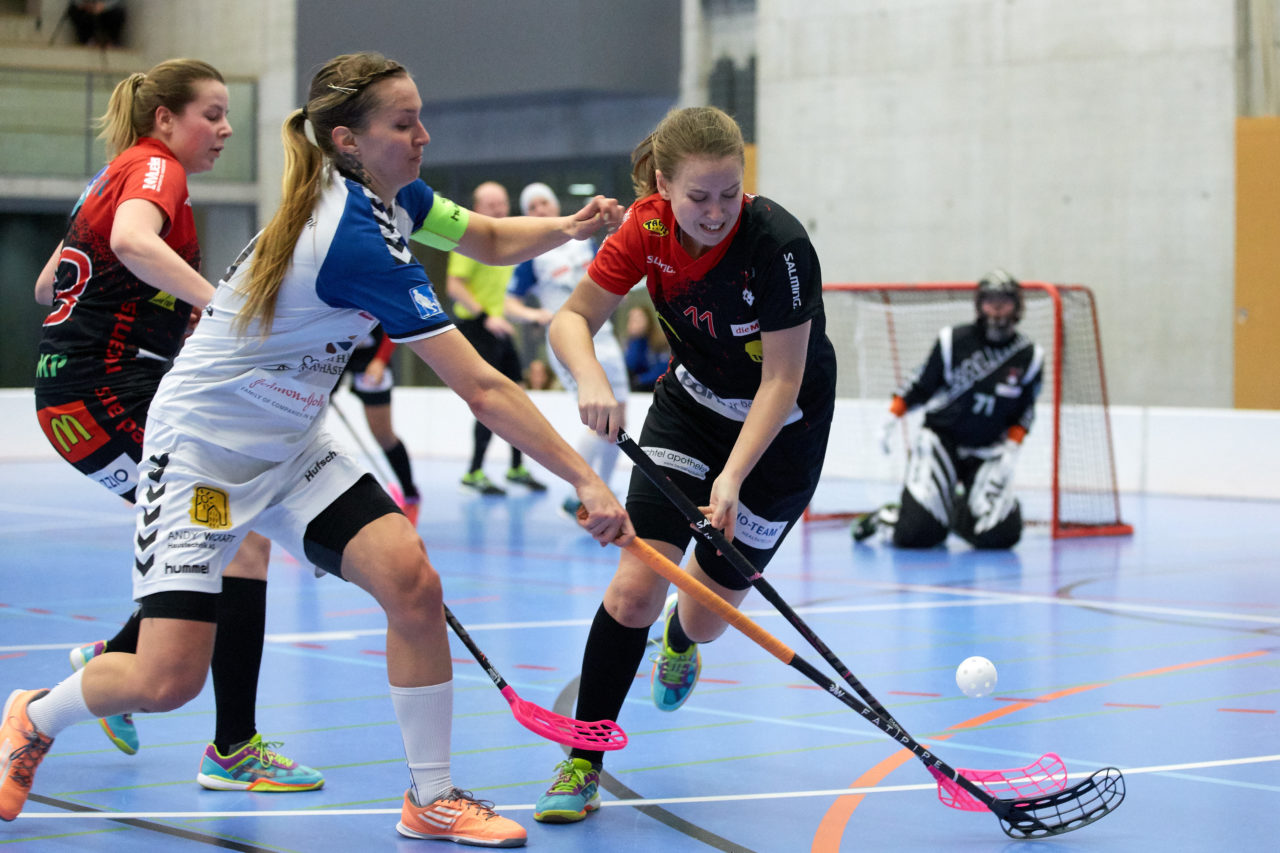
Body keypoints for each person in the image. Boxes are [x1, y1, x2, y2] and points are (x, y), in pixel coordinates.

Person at [0, 52, 633, 844]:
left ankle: (431, 796)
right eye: (404, 124)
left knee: (411, 581)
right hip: (204, 454)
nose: (424, 136)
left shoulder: (397, 198)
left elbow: (491, 236)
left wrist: (567, 229)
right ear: (349, 140)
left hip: (294, 440)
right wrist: (587, 480)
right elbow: (485, 389)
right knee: (165, 679)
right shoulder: (349, 233)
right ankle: (35, 715)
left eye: (419, 118)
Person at [533, 105, 836, 824]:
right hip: (691, 413)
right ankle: (582, 758)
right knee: (635, 586)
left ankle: (681, 637)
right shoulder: (647, 227)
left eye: (729, 193)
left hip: (779, 434)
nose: (715, 211)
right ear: (664, 184)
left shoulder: (779, 248)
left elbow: (782, 380)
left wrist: (731, 479)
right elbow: (571, 319)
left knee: (701, 615)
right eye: (698, 196)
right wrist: (591, 377)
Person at [29, 59, 321, 792]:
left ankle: (121, 660)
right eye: (211, 115)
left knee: (225, 541)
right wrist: (222, 309)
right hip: (101, 399)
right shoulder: (157, 170)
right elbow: (130, 242)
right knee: (236, 543)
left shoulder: (114, 172)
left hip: (96, 396)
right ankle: (230, 748)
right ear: (165, 119)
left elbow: (47, 284)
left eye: (227, 115)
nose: (226, 129)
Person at [851, 269, 1043, 550]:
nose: (997, 307)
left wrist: (1012, 450)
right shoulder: (953, 341)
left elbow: (1025, 410)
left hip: (989, 447)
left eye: (1005, 300)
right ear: (979, 304)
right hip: (942, 440)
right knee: (917, 535)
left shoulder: (1030, 355)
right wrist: (891, 417)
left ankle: (949, 512)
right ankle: (889, 518)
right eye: (990, 300)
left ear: (1017, 305)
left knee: (1001, 534)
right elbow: (921, 384)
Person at [503, 182, 628, 519]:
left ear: (555, 204)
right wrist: (536, 315)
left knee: (620, 420)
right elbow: (510, 304)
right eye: (532, 207)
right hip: (568, 342)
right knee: (597, 418)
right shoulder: (531, 256)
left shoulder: (583, 243)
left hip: (604, 336)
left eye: (544, 202)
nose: (539, 210)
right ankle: (580, 491)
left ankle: (603, 487)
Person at [432, 181, 546, 497]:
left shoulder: (505, 239)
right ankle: (475, 471)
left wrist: (531, 316)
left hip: (498, 329)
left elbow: (509, 294)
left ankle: (516, 467)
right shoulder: (470, 239)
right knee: (489, 402)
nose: (498, 208)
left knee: (517, 396)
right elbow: (455, 287)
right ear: (477, 209)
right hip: (476, 329)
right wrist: (486, 316)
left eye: (502, 202)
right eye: (491, 204)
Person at [338, 324, 422, 524]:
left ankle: (411, 496)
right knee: (310, 428)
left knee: (383, 435)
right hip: (334, 356)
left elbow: (392, 321)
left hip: (371, 357)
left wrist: (381, 359)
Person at [623, 304, 669, 391]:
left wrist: (640, 379)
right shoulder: (634, 341)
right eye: (631, 319)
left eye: (637, 319)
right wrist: (635, 339)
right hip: (641, 385)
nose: (633, 322)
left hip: (657, 384)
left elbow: (663, 369)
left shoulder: (660, 340)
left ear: (648, 319)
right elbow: (630, 366)